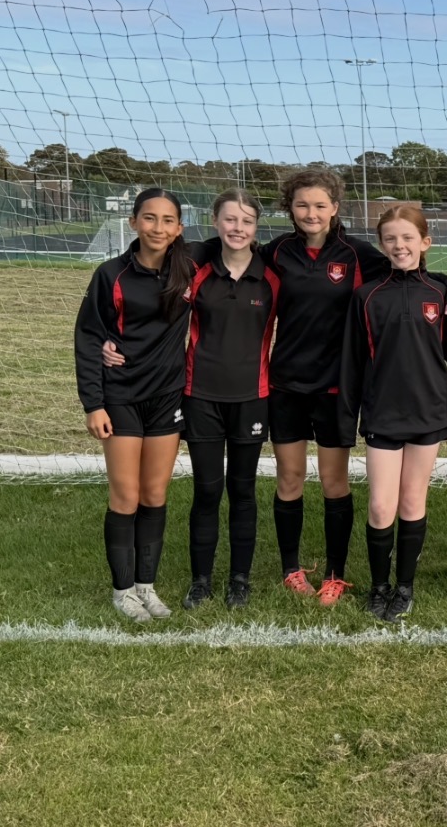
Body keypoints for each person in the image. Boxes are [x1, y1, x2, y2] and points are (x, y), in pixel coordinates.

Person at [260, 169, 391, 606]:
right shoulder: (276, 252)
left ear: (335, 207)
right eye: (302, 205)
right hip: (286, 383)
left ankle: (335, 574)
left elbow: (408, 271)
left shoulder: (359, 255)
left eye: (320, 205)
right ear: (290, 209)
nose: (311, 213)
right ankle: (291, 569)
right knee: (290, 477)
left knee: (334, 481)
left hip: (336, 386)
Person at [75, 188, 193, 621]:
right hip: (120, 396)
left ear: (180, 228)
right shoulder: (111, 274)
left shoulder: (190, 269)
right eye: (149, 218)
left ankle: (147, 585)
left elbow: (233, 243)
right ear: (133, 222)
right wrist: (94, 403)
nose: (157, 228)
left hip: (167, 398)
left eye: (167, 220)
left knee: (155, 494)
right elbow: (88, 336)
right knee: (125, 496)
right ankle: (122, 590)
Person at [338, 206, 447, 622]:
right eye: (390, 238)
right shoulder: (366, 295)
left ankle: (404, 587)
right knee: (380, 506)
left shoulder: (443, 291)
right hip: (382, 413)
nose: (399, 245)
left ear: (425, 242)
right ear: (382, 245)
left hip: (427, 409)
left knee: (412, 500)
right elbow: (353, 362)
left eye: (408, 237)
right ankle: (379, 586)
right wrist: (349, 415)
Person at [177, 189, 277, 610]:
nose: (238, 228)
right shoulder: (193, 270)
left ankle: (240, 579)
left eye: (247, 221)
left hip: (252, 398)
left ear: (257, 227)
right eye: (230, 219)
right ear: (215, 221)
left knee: (243, 490)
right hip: (199, 396)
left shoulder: (272, 278)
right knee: (206, 491)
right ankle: (200, 580)